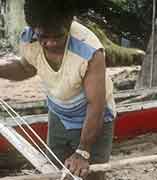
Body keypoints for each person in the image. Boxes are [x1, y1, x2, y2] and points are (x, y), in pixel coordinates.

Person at [0, 0, 116, 179]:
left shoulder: (90, 51)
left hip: (93, 119)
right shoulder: (29, 38)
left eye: (58, 36)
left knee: (89, 175)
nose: (51, 43)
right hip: (59, 116)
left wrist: (83, 151)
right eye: (43, 37)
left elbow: (96, 105)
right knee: (55, 172)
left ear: (69, 24)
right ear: (34, 29)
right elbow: (26, 68)